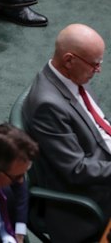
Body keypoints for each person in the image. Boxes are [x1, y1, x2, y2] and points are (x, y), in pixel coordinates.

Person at [22, 24, 111, 242]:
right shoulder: (47, 105)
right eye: (94, 64)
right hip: (89, 193)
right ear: (69, 60)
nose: (97, 70)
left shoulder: (72, 78)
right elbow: (76, 169)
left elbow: (98, 123)